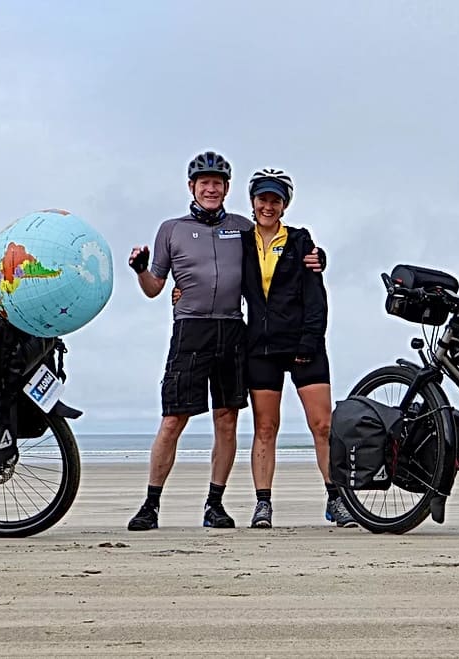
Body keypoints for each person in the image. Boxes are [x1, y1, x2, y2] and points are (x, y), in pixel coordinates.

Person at [126, 151, 324, 531]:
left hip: (233, 328)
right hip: (190, 329)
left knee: (227, 420)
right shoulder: (172, 229)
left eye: (218, 183)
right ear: (192, 187)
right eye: (205, 183)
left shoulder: (242, 227)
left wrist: (317, 258)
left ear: (228, 188)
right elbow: (154, 288)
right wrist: (139, 270)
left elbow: (280, 247)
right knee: (173, 420)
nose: (212, 189)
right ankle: (150, 505)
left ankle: (214, 505)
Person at [239, 168, 356, 529]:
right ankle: (263, 505)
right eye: (263, 199)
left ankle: (336, 499)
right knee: (266, 427)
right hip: (261, 347)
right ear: (253, 202)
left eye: (275, 200)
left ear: (285, 205)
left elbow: (316, 297)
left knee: (323, 426)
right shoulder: (241, 241)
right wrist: (182, 291)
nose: (268, 206)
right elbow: (216, 277)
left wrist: (309, 341)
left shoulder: (302, 241)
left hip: (305, 345)